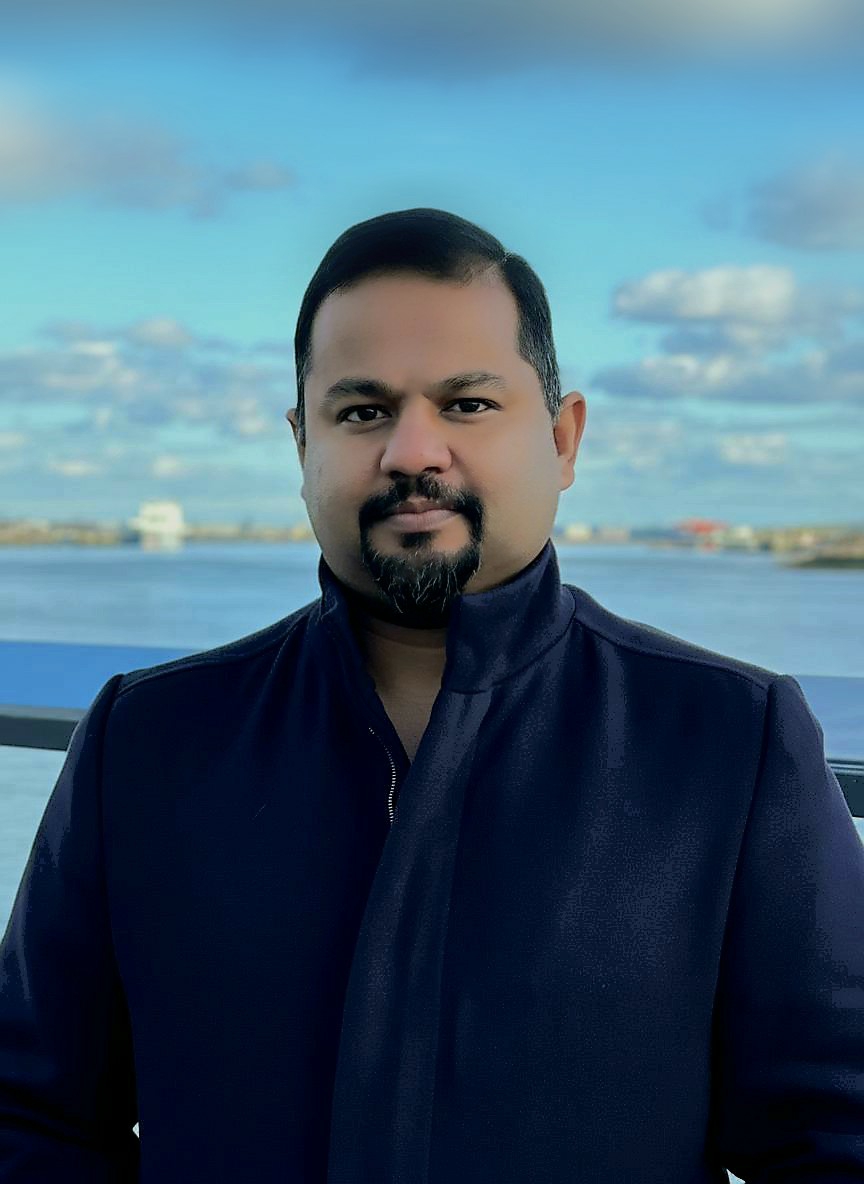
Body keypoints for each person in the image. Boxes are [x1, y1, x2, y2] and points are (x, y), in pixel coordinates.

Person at [1, 208, 863, 1183]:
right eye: (362, 411)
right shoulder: (149, 739)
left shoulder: (727, 741)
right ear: (301, 445)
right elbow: (31, 1113)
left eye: (467, 403)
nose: (413, 452)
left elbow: (837, 1133)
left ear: (563, 439)